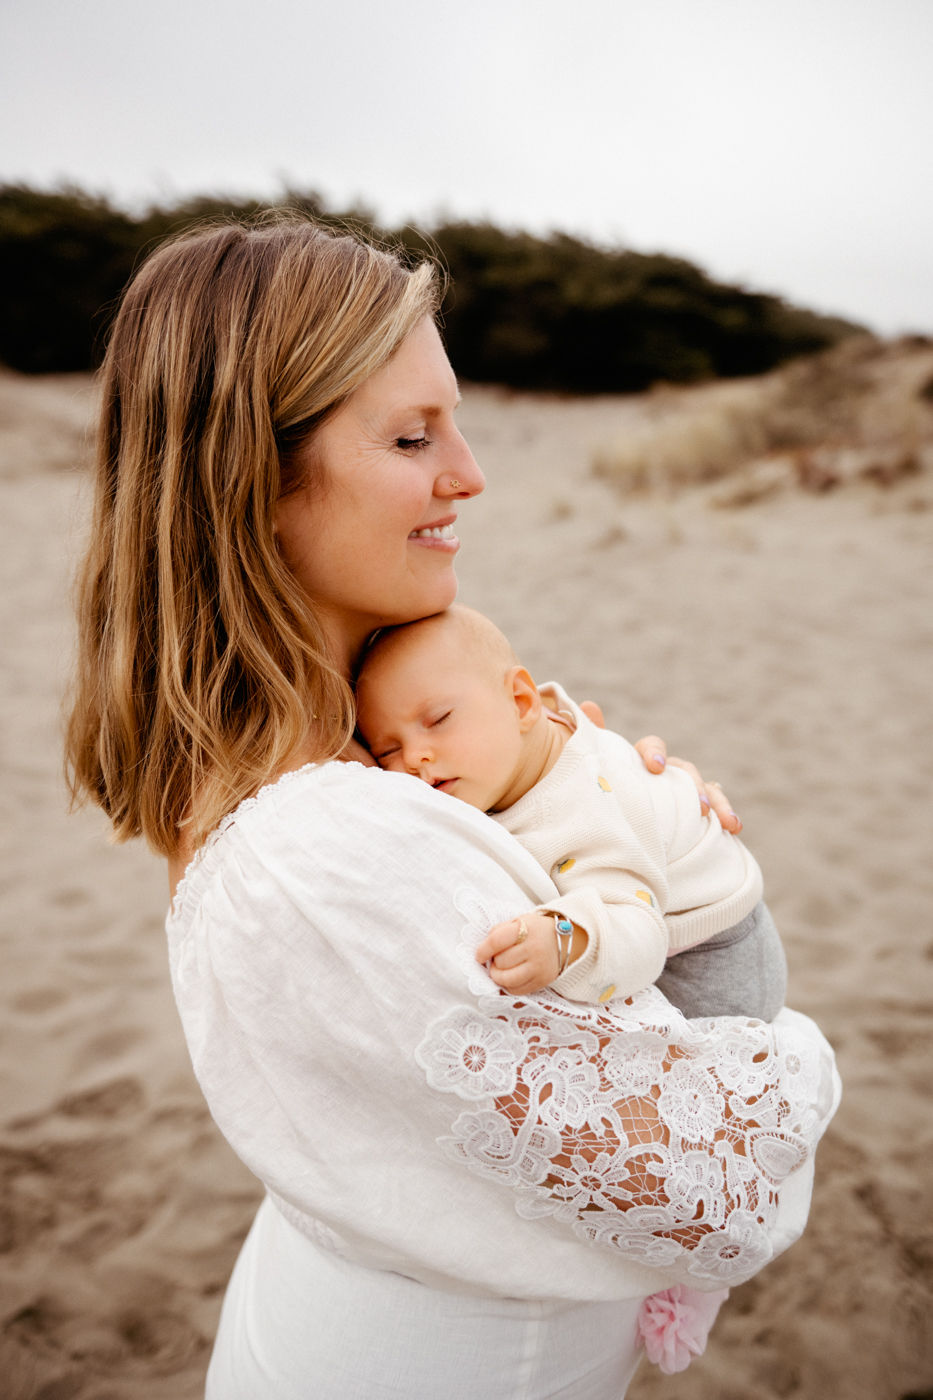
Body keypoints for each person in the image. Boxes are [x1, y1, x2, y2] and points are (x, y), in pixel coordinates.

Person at [66, 214, 840, 1399]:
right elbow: (719, 1186)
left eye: (459, 420)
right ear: (254, 479)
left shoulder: (342, 748)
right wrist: (787, 1037)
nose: (469, 473)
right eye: (414, 433)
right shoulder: (328, 848)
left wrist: (619, 814)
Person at [354, 605, 787, 1020]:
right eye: (387, 750)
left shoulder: (586, 800)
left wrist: (562, 940)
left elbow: (639, 930)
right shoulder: (514, 754)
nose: (414, 756)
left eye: (439, 718)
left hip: (710, 959)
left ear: (523, 703)